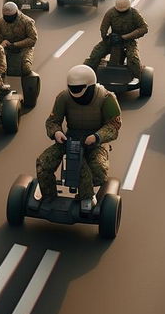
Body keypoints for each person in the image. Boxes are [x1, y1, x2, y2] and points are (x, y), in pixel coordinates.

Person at [36, 65, 121, 211]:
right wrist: (56, 132)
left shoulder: (107, 98)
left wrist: (96, 137)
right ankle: (49, 196)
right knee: (43, 164)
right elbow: (52, 121)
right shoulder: (63, 97)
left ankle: (86, 195)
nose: (75, 93)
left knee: (99, 172)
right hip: (70, 140)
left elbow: (113, 126)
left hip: (96, 142)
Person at [84, 0, 148, 79]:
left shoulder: (134, 13)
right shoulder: (110, 13)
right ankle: (87, 74)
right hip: (113, 39)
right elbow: (103, 28)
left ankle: (136, 77)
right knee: (95, 55)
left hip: (129, 41)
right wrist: (106, 39)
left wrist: (125, 37)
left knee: (133, 60)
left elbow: (144, 28)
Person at [0, 2, 37, 75]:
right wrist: (1, 45)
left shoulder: (27, 22)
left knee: (26, 68)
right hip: (6, 47)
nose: (8, 19)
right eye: (6, 16)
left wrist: (15, 44)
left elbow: (32, 39)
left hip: (24, 48)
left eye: (10, 17)